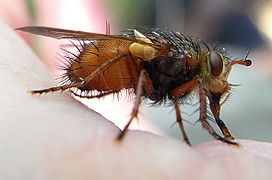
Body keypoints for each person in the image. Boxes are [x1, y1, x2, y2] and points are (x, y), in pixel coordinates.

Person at [1, 20, 272, 179]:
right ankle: (87, 90)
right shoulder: (181, 60)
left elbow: (175, 94)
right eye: (218, 68)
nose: (220, 76)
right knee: (131, 60)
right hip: (105, 62)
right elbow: (143, 74)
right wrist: (130, 120)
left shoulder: (191, 76)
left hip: (115, 68)